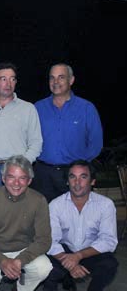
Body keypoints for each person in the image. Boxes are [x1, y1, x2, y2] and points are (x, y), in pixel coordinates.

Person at [0, 155, 53, 291]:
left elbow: (44, 239)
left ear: (29, 181)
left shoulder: (38, 200)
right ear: (3, 178)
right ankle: (2, 274)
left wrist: (19, 261)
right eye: (11, 177)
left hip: (23, 250)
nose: (16, 183)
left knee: (44, 267)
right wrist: (2, 260)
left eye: (22, 178)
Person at [43, 160, 119, 291]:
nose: (77, 182)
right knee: (46, 264)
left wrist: (78, 256)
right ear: (67, 181)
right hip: (63, 252)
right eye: (72, 177)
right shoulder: (56, 205)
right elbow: (51, 241)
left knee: (110, 264)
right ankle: (53, 282)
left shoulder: (105, 204)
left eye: (83, 177)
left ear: (92, 181)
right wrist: (71, 263)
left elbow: (109, 240)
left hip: (89, 251)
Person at [33, 63, 103, 202]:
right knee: (45, 219)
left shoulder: (86, 108)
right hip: (43, 175)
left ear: (71, 80)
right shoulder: (37, 108)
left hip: (74, 174)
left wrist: (81, 166)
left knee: (77, 217)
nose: (56, 82)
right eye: (52, 78)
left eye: (61, 77)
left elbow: (96, 143)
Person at [0, 63, 42, 202]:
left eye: (12, 79)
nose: (8, 83)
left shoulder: (28, 108)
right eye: (3, 79)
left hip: (15, 171)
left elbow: (36, 142)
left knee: (15, 213)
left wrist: (22, 164)